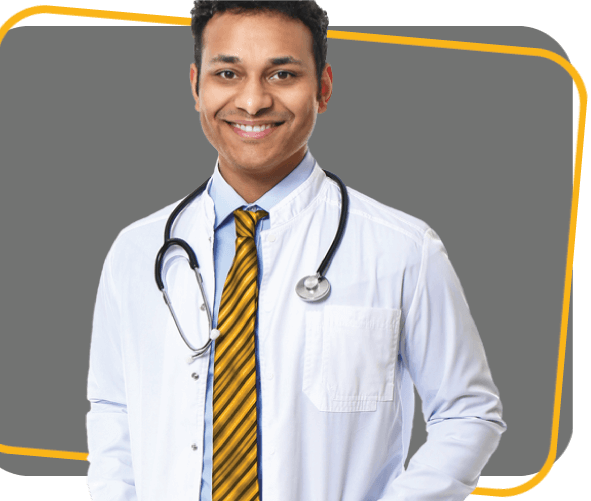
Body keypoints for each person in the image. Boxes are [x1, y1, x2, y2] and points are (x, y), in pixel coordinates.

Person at [85, 1, 506, 500]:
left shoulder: (404, 250)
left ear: (323, 87)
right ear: (196, 86)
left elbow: (468, 412)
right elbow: (114, 409)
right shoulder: (137, 251)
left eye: (282, 74)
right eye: (228, 73)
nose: (253, 101)